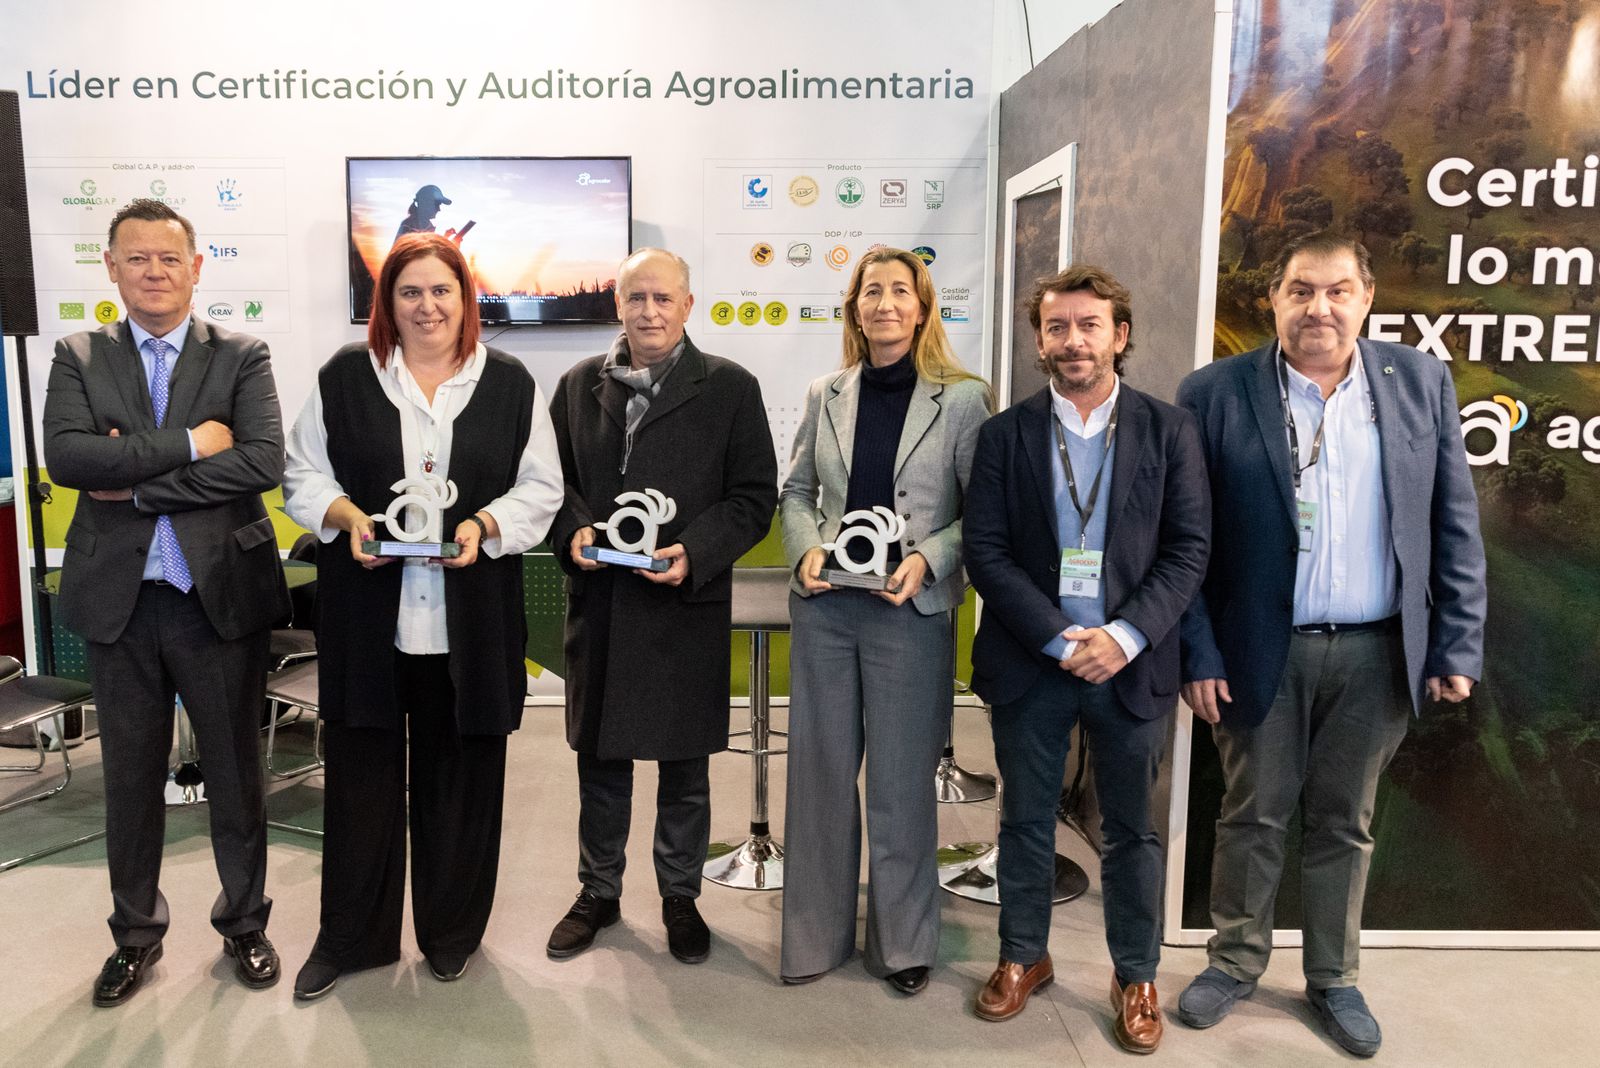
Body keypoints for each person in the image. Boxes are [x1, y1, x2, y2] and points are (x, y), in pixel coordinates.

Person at [1175, 232, 1486, 1057]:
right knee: (1252, 814)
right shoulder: (1215, 392)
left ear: (1367, 297)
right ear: (1272, 300)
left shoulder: (1419, 383)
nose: (1319, 308)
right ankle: (1235, 961)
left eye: (1337, 291)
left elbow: (1452, 522)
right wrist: (1197, 652)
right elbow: (1187, 541)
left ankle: (1333, 978)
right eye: (1301, 291)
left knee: (1346, 821)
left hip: (1378, 652)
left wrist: (1455, 642)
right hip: (1256, 650)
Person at [282, 232, 563, 999]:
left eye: (441, 290)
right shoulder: (346, 376)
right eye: (410, 292)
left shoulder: (508, 383)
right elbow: (301, 472)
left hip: (469, 621)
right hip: (369, 618)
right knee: (361, 783)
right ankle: (351, 939)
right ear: (388, 304)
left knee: (462, 781)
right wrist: (344, 514)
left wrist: (484, 527)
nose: (427, 306)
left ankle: (450, 934)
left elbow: (542, 489)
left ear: (465, 299)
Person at [43, 198, 289, 1005]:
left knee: (236, 774)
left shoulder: (242, 354)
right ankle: (135, 936)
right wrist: (189, 445)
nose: (154, 271)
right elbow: (72, 458)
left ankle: (245, 921)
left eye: (168, 258)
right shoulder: (78, 353)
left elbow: (257, 462)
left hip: (214, 597)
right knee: (130, 780)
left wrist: (140, 488)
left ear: (196, 267)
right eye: (136, 258)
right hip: (120, 602)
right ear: (111, 268)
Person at [962, 265, 1210, 1053]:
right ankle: (1023, 957)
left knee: (1131, 832)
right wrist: (1055, 635)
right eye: (1058, 327)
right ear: (1040, 339)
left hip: (1131, 666)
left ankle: (1135, 973)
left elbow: (1188, 549)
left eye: (1089, 325)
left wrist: (1123, 637)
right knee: (1026, 821)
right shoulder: (1002, 436)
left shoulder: (1171, 432)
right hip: (1031, 662)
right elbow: (987, 551)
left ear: (1120, 335)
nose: (1074, 341)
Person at [546, 248, 776, 965]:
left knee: (684, 769)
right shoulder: (577, 386)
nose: (649, 312)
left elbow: (753, 498)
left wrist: (696, 552)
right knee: (602, 765)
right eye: (636, 298)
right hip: (605, 604)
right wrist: (572, 532)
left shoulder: (731, 388)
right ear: (617, 303)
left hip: (684, 606)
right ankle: (599, 892)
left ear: (688, 305)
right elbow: (548, 485)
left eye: (663, 299)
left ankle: (680, 896)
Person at [777, 247, 990, 994]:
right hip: (828, 609)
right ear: (855, 308)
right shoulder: (825, 392)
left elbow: (978, 513)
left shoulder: (962, 399)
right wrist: (804, 549)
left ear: (924, 307)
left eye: (901, 291)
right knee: (821, 777)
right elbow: (797, 491)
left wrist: (928, 558)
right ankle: (812, 939)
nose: (886, 303)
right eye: (873, 291)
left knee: (901, 786)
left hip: (909, 613)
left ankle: (902, 945)